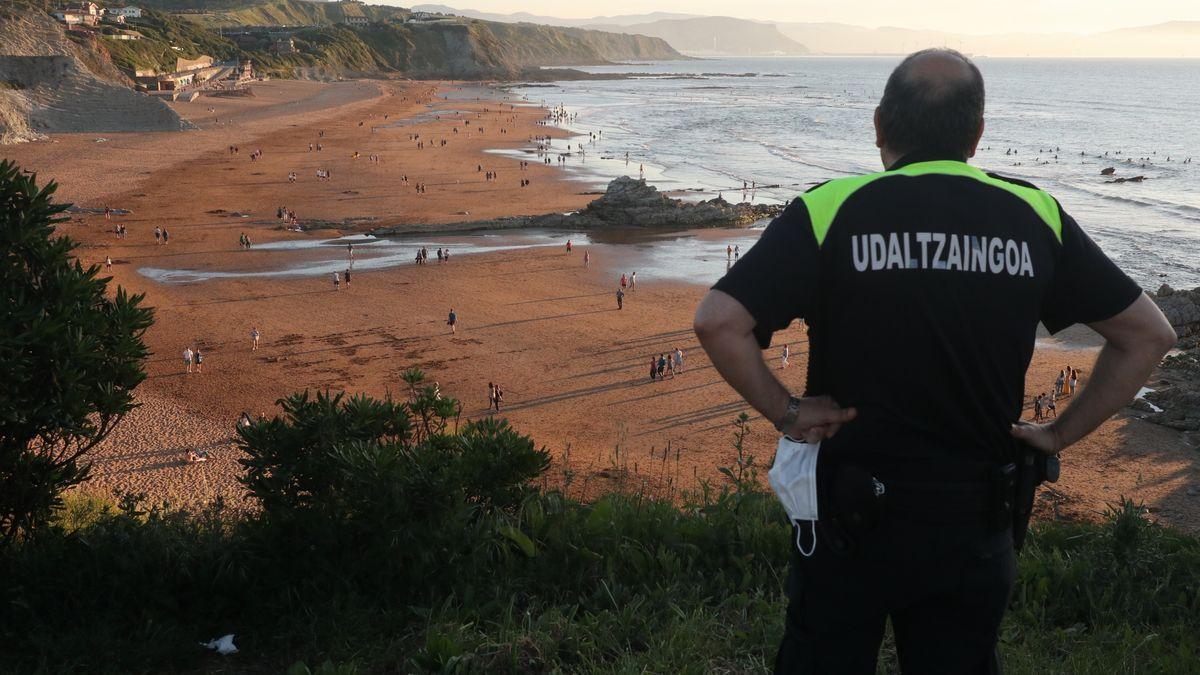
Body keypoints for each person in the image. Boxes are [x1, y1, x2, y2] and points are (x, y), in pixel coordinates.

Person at [693, 48, 1176, 674]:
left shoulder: (830, 208)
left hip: (849, 516)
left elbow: (717, 321)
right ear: (977, 134)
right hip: (974, 519)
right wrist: (1056, 434)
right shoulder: (1034, 214)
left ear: (879, 127)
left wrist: (786, 410)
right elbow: (1148, 335)